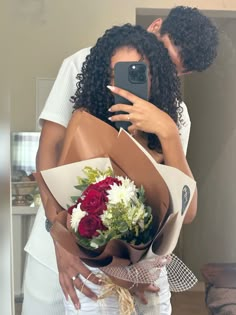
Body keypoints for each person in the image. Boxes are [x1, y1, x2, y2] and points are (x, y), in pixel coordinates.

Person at [22, 5, 218, 314]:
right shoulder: (84, 67)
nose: (164, 68)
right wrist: (58, 240)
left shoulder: (175, 113)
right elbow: (49, 153)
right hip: (59, 241)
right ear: (156, 27)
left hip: (138, 268)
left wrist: (135, 267)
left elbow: (182, 204)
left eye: (174, 69)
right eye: (164, 55)